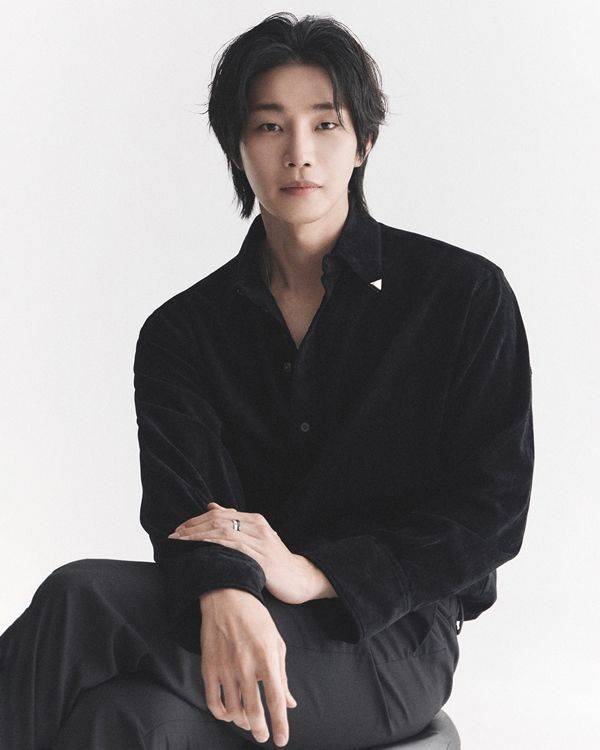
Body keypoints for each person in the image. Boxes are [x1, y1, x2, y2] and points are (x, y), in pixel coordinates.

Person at [0, 11, 534, 750]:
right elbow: (186, 508)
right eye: (270, 126)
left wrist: (313, 573)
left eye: (325, 124)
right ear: (238, 146)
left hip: (388, 642)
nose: (299, 153)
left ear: (363, 143)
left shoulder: (462, 297)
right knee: (122, 720)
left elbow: (488, 516)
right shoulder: (183, 331)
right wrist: (228, 587)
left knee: (80, 598)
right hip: (232, 613)